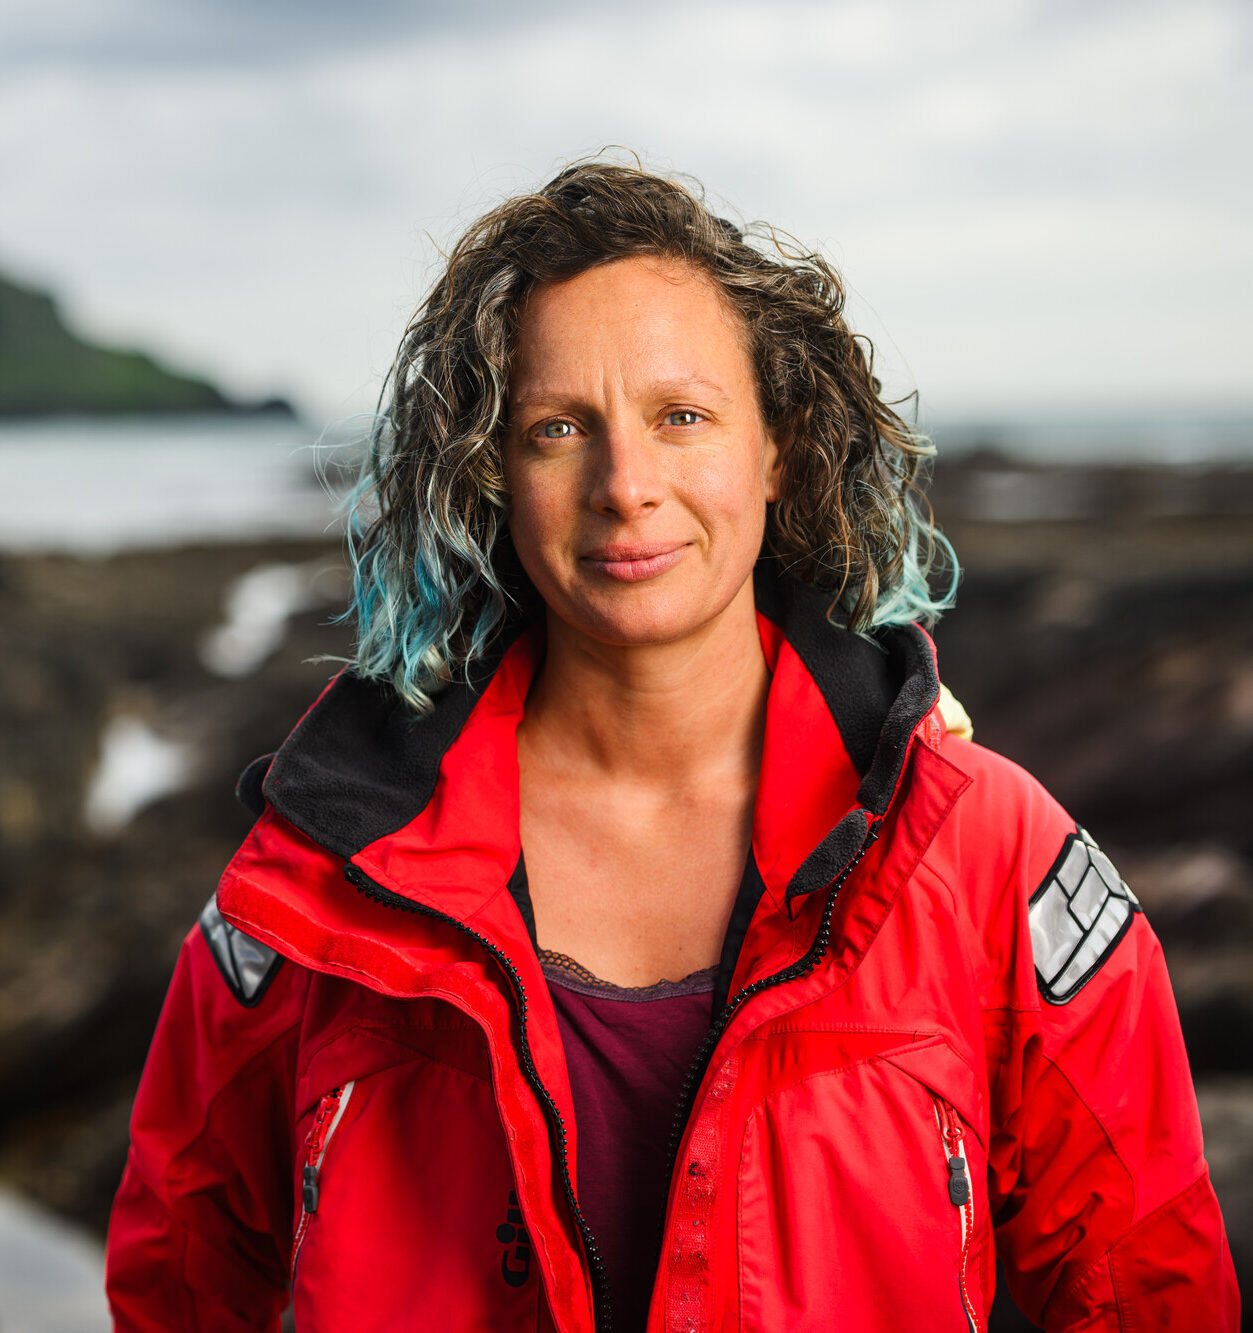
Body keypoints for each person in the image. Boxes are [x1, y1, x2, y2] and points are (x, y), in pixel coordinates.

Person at [104, 159, 1238, 1331]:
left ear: (778, 446)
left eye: (680, 416)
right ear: (494, 472)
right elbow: (176, 1275)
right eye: (557, 430)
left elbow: (1146, 1284)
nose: (624, 485)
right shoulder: (318, 881)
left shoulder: (986, 854)